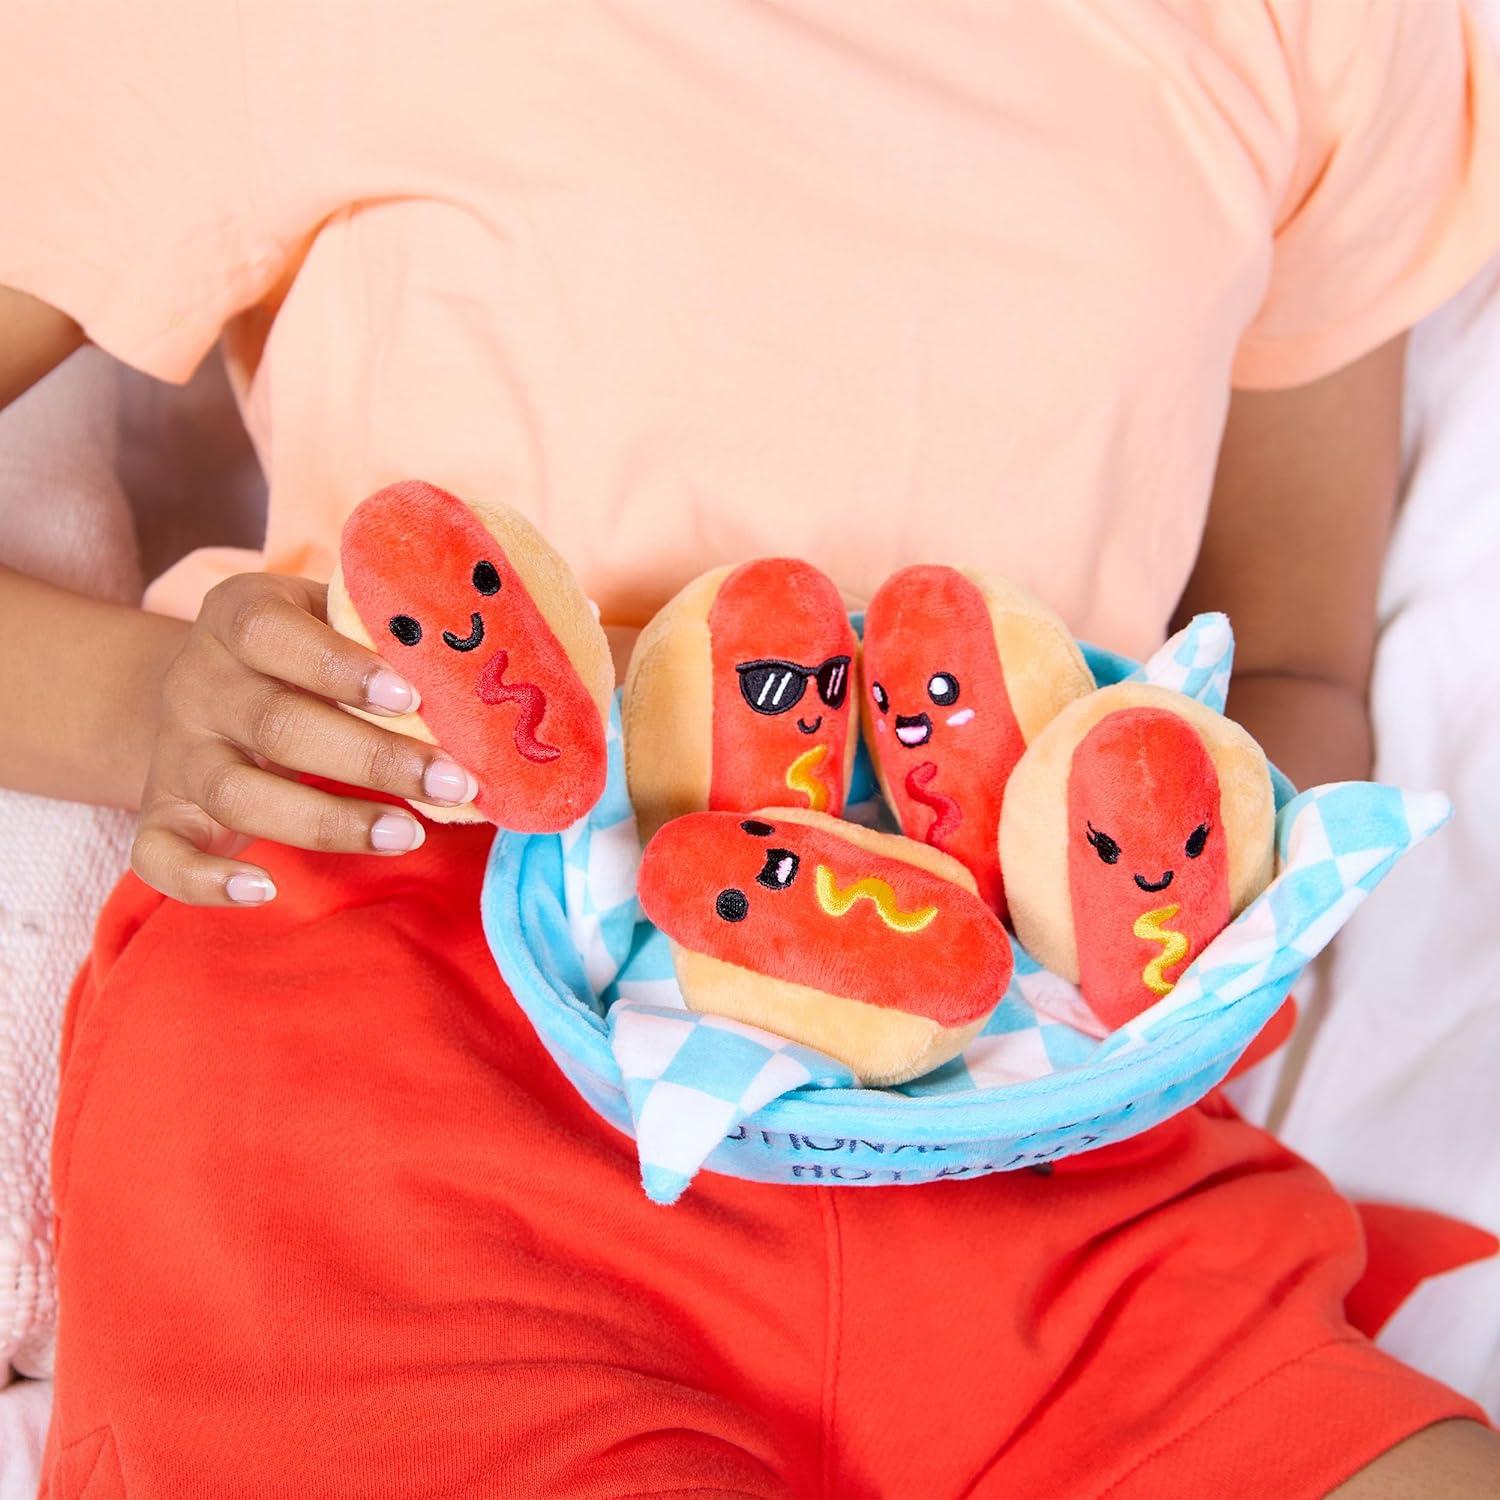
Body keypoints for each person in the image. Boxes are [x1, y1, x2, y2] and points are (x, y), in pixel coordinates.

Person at [3, 3, 1499, 1494]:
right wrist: (156, 705)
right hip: (413, 1063)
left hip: (1040, 1104)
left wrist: (1183, 936)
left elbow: (1292, 664)